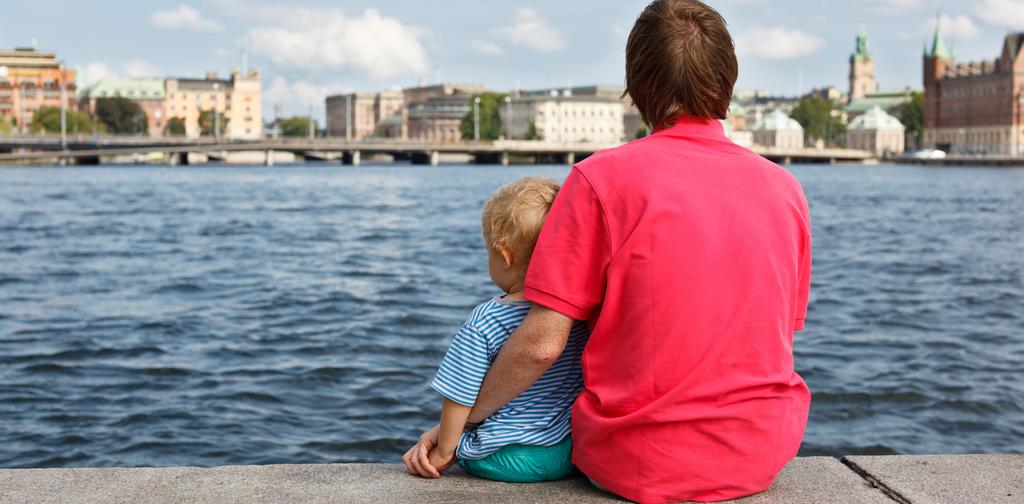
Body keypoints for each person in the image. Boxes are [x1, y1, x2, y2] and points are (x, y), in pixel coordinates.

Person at [406, 0, 813, 501]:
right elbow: (772, 332)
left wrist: (460, 425)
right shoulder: (785, 189)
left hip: (640, 460)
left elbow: (540, 345)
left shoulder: (600, 180)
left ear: (637, 82)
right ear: (728, 79)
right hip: (761, 454)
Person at [403, 176, 589, 483]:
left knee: (468, 447)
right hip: (567, 450)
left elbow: (458, 395)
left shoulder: (486, 320)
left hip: (506, 456)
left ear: (504, 256)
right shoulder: (576, 311)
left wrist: (446, 450)